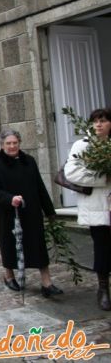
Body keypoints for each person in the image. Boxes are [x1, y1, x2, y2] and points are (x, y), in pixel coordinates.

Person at [0, 129, 62, 297]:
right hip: (9, 214)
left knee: (38, 246)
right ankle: (9, 275)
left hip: (32, 212)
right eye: (8, 143)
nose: (12, 146)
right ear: (2, 145)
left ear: (19, 143)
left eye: (15, 143)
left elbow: (40, 187)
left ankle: (46, 283)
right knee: (10, 245)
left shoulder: (29, 161)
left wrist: (49, 211)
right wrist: (9, 199)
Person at [64, 107, 111, 309]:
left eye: (103, 120)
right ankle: (103, 289)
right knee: (102, 249)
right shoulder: (82, 146)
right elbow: (71, 173)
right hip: (98, 207)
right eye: (95, 121)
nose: (99, 124)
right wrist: (103, 178)